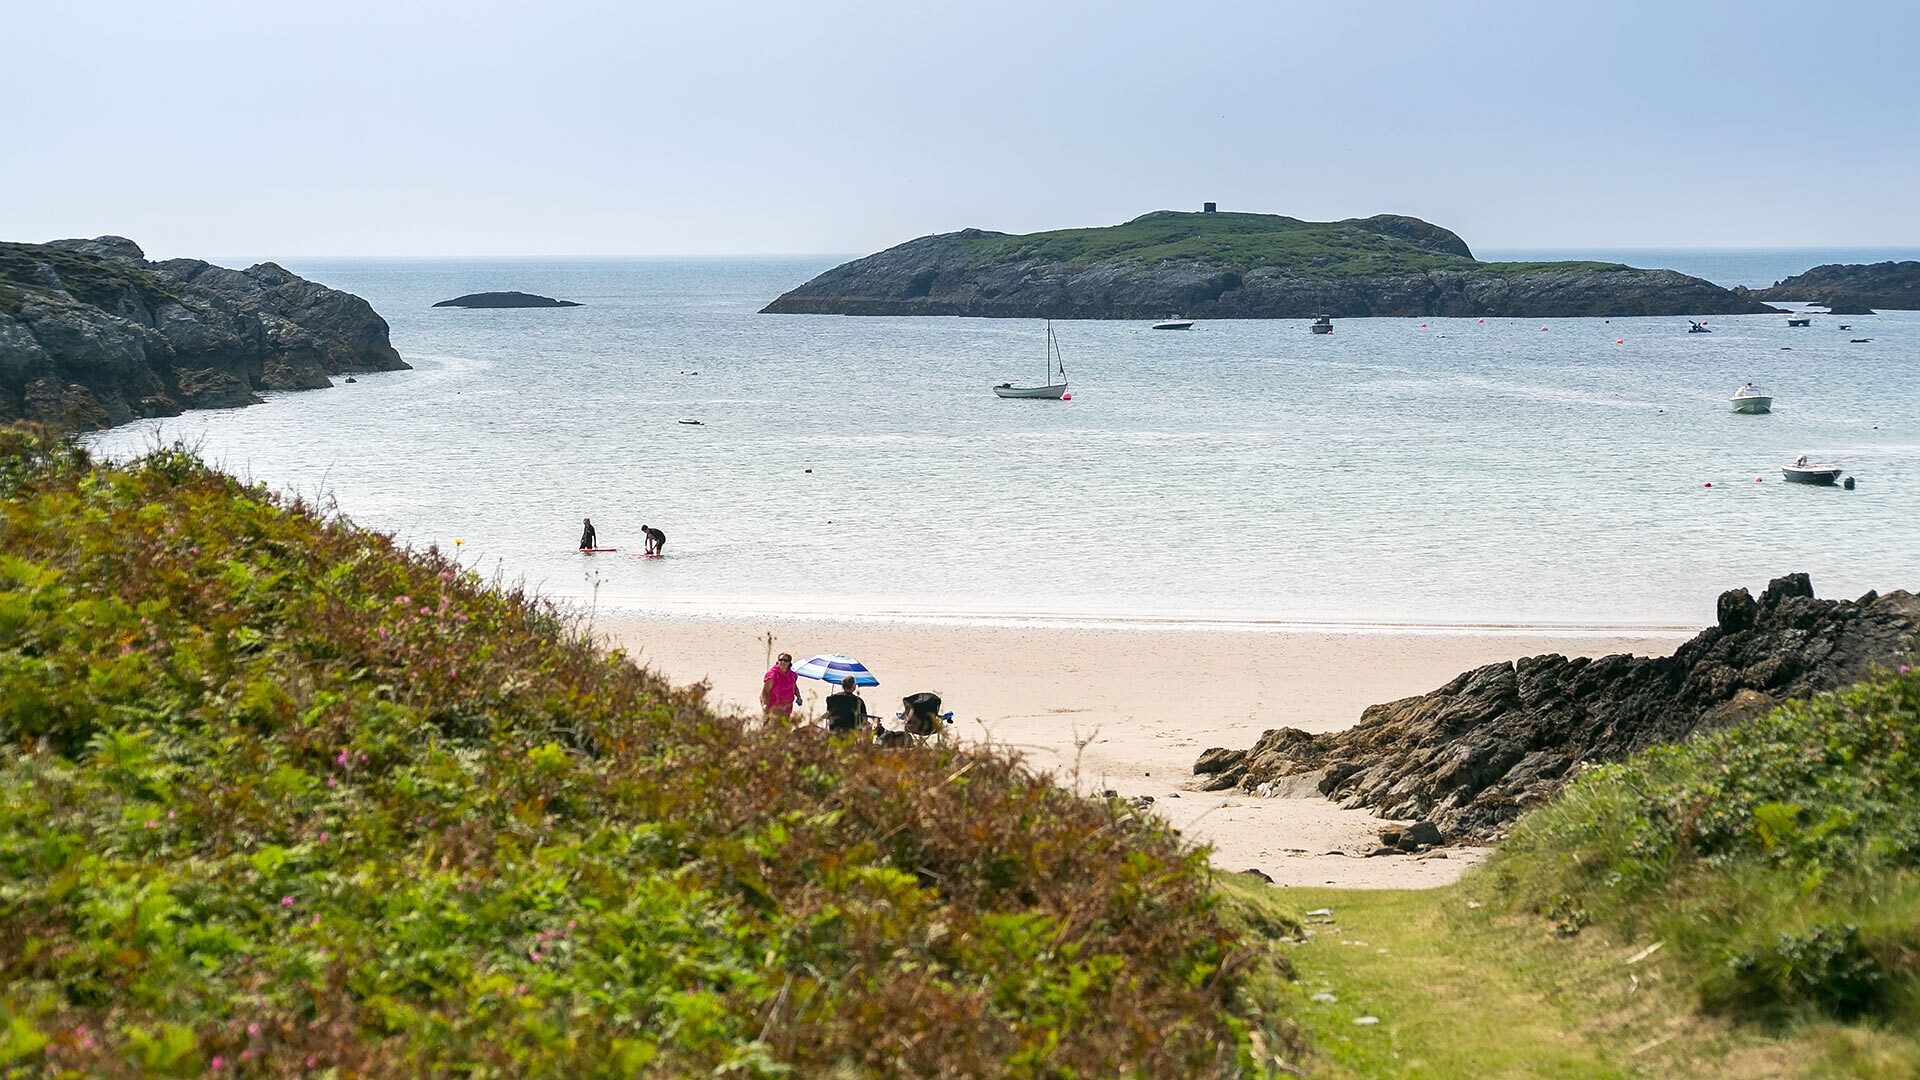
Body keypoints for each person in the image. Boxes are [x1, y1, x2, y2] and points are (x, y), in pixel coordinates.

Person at [761, 653, 800, 721]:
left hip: (787, 706)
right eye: (780, 660)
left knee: (784, 726)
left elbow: (794, 686)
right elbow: (765, 691)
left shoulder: (792, 675)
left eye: (785, 660)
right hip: (773, 705)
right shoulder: (772, 675)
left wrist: (799, 697)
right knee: (770, 726)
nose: (782, 662)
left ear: (789, 663)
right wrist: (765, 704)